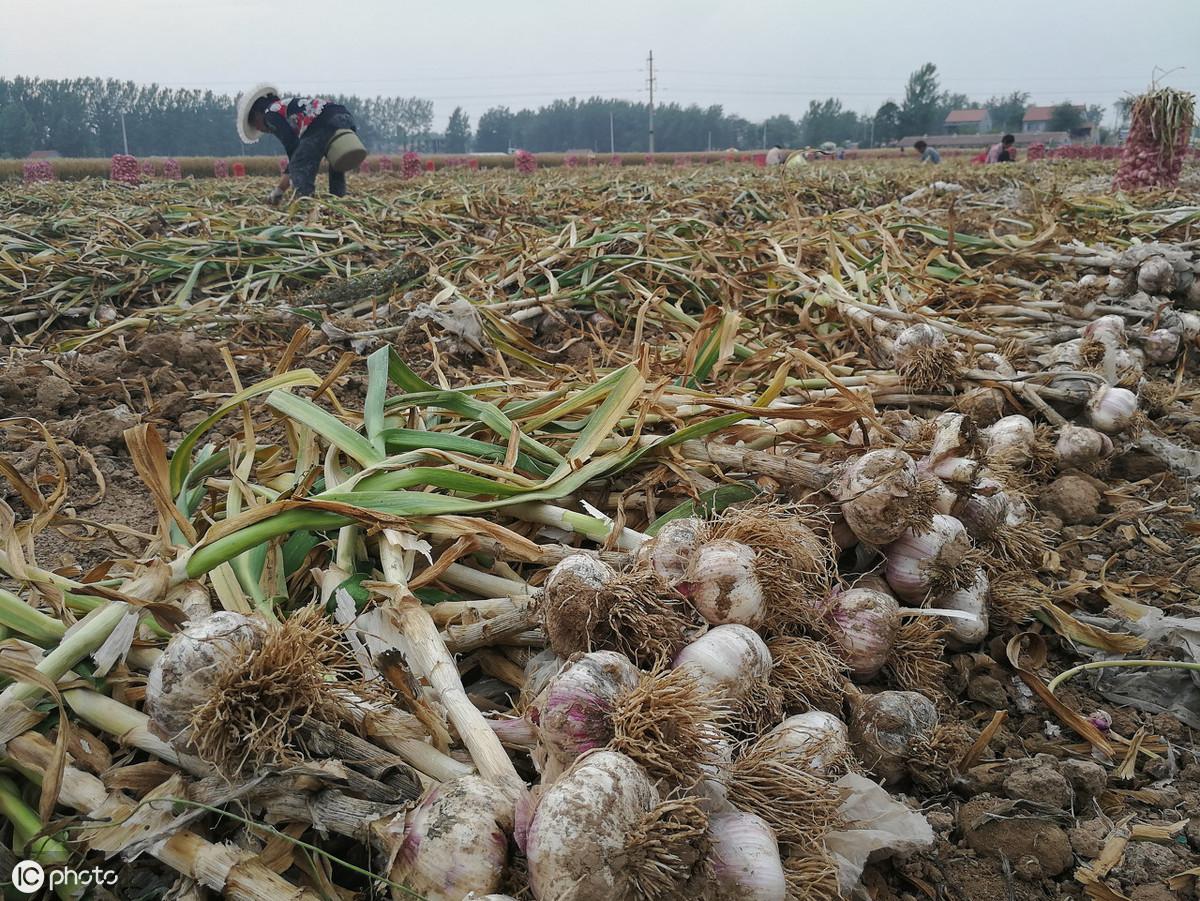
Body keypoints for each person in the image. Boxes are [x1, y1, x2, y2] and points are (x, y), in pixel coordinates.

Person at [236, 83, 365, 204]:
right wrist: (282, 187)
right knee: (335, 159)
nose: (259, 129)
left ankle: (304, 203)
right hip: (344, 116)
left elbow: (293, 147)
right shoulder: (285, 107)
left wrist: (280, 190)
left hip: (321, 122)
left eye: (255, 125)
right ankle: (339, 200)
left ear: (257, 115)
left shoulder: (270, 114)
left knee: (299, 164)